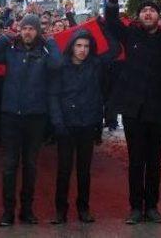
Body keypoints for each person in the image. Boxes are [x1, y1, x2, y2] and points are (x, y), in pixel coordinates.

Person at [105, 0, 161, 225]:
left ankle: (151, 206)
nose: (148, 14)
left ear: (158, 17)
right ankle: (135, 208)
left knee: (154, 162)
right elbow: (110, 20)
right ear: (139, 16)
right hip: (133, 110)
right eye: (144, 11)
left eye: (152, 11)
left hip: (159, 110)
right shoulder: (131, 34)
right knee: (136, 161)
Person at [0, 13, 63, 227]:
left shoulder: (45, 52)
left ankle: (27, 210)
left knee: (30, 165)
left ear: (38, 32)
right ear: (20, 30)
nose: (27, 32)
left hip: (35, 117)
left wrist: (52, 42)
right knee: (9, 165)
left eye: (32, 28)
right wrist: (3, 37)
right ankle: (8, 211)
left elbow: (57, 65)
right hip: (10, 116)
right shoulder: (11, 50)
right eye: (24, 28)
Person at [48, 28, 118, 224]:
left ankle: (83, 208)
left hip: (87, 124)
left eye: (86, 46)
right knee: (63, 170)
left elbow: (114, 50)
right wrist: (57, 122)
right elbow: (53, 95)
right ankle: (60, 210)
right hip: (66, 124)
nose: (83, 50)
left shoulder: (95, 65)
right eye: (79, 45)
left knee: (84, 170)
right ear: (72, 46)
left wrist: (105, 26)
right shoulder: (61, 66)